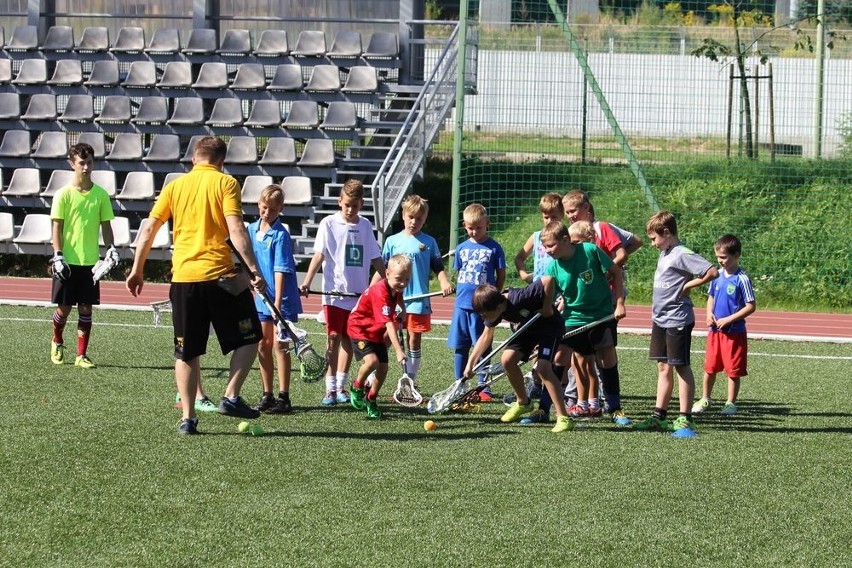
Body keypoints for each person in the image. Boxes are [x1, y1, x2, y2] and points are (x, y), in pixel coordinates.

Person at [126, 136, 265, 435]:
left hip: (184, 279)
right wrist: (254, 269)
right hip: (221, 277)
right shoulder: (226, 184)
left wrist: (138, 269)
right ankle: (231, 395)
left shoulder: (175, 186)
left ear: (193, 159)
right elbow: (236, 228)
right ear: (222, 162)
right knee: (251, 335)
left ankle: (188, 419)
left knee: (186, 351)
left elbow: (149, 227)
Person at [300, 179, 383, 406]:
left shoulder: (365, 226)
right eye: (346, 205)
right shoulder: (328, 223)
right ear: (339, 201)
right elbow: (319, 255)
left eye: (354, 206)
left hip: (357, 296)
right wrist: (307, 281)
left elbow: (376, 258)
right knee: (333, 338)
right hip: (334, 294)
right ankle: (330, 390)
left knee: (349, 339)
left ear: (361, 204)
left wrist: (389, 285)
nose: (349, 210)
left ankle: (341, 386)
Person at [539, 221, 631, 427]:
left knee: (607, 359)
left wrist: (619, 303)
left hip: (602, 315)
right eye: (545, 247)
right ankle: (543, 409)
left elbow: (615, 273)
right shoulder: (552, 266)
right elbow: (548, 300)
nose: (547, 251)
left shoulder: (590, 250)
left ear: (565, 240)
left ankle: (615, 408)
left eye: (551, 246)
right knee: (559, 357)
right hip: (572, 319)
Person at [635, 211, 718, 435]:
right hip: (660, 318)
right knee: (663, 366)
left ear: (667, 233)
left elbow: (711, 271)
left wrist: (688, 286)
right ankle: (658, 416)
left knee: (681, 366)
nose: (652, 244)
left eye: (654, 238)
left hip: (677, 319)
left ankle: (685, 418)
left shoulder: (681, 253)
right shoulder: (665, 252)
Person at [466, 283, 574, 433]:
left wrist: (548, 307)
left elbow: (548, 280)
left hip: (550, 328)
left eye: (484, 315)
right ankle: (523, 402)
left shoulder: (520, 297)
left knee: (543, 368)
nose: (483, 318)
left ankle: (563, 417)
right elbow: (486, 336)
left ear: (497, 308)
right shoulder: (495, 308)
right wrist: (470, 363)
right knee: (507, 360)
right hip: (528, 329)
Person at [49, 142, 118, 369]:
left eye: (89, 163)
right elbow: (56, 228)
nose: (86, 167)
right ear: (72, 164)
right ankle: (57, 339)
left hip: (90, 263)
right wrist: (58, 255)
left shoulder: (100, 195)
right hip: (67, 262)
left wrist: (111, 248)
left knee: (86, 308)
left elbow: (106, 226)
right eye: (81, 163)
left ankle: (81, 355)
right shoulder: (63, 194)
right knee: (65, 308)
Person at [380, 195, 453, 386]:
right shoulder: (392, 241)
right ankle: (373, 375)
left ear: (424, 219)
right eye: (411, 216)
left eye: (419, 218)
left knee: (414, 339)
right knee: (387, 337)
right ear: (403, 215)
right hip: (395, 299)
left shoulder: (429, 242)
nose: (414, 222)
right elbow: (382, 271)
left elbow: (438, 267)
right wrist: (371, 290)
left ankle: (409, 380)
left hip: (418, 301)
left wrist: (444, 282)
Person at [248, 184, 303, 414]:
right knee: (263, 344)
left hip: (281, 300)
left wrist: (278, 304)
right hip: (261, 299)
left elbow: (281, 270)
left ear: (280, 208)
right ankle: (267, 394)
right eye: (263, 207)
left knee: (281, 346)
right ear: (258, 205)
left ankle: (284, 397)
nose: (267, 213)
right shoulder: (251, 230)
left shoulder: (281, 234)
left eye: (272, 209)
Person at [447, 203, 506, 401]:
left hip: (482, 308)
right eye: (470, 227)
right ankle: (459, 382)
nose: (474, 231)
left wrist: (494, 295)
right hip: (461, 305)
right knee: (460, 345)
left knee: (482, 347)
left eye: (478, 227)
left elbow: (500, 274)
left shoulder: (494, 248)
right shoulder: (462, 248)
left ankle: (484, 386)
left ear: (487, 224)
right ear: (464, 225)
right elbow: (459, 272)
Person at [692, 234, 756, 416]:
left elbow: (751, 306)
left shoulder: (742, 279)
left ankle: (730, 403)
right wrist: (708, 314)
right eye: (718, 257)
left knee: (733, 370)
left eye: (724, 257)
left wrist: (729, 319)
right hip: (715, 332)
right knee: (710, 367)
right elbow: (711, 297)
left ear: (736, 256)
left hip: (734, 334)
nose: (720, 261)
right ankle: (705, 398)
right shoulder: (717, 276)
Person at [348, 254, 412, 419]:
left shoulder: (395, 287)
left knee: (383, 368)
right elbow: (389, 325)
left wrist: (402, 309)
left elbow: (398, 296)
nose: (403, 283)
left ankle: (371, 398)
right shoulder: (380, 293)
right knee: (372, 362)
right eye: (399, 278)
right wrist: (399, 350)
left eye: (407, 279)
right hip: (360, 329)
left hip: (374, 331)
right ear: (387, 273)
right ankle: (356, 386)